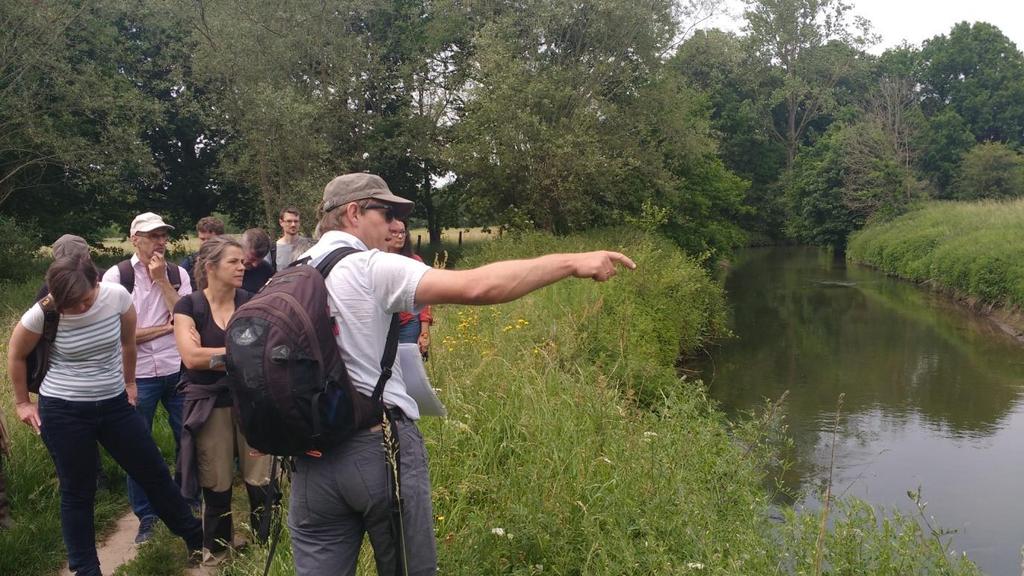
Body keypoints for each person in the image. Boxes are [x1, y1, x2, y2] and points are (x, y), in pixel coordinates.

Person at [287, 172, 635, 576]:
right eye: (385, 212)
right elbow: (478, 286)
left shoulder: (294, 270)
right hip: (376, 450)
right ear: (353, 213)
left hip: (309, 461)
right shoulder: (369, 267)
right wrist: (574, 261)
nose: (394, 225)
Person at [8, 255, 202, 575]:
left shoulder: (116, 296)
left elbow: (128, 342)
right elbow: (16, 355)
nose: (79, 309)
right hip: (64, 411)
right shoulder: (42, 313)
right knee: (77, 490)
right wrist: (21, 403)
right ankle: (86, 569)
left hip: (114, 404)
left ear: (97, 285)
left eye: (85, 300)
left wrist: (129, 382)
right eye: (70, 304)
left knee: (152, 470)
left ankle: (196, 537)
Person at [173, 236, 276, 565]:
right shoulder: (188, 306)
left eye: (242, 261)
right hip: (210, 405)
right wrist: (236, 354)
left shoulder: (250, 302)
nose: (242, 266)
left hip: (251, 401)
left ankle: (266, 548)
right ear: (210, 267)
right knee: (215, 480)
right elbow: (190, 359)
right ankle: (217, 550)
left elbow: (262, 352)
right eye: (233, 261)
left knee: (261, 477)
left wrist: (213, 355)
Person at [101, 212, 192, 544]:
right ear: (134, 238)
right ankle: (148, 517)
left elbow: (186, 318)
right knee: (137, 448)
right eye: (153, 236)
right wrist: (164, 329)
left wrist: (163, 283)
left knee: (188, 438)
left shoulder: (177, 273)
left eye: (164, 235)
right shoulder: (116, 276)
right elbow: (117, 333)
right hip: (136, 375)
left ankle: (186, 504)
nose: (160, 242)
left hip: (175, 368)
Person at [385, 220, 432, 357]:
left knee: (409, 363)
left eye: (402, 232)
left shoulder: (414, 261)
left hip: (408, 323)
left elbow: (425, 299)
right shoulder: (373, 260)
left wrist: (424, 333)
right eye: (394, 232)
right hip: (382, 324)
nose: (400, 236)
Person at [181, 216, 226, 291]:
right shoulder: (191, 262)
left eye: (210, 239)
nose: (205, 243)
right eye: (202, 239)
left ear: (221, 239)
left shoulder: (231, 261)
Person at [240, 228, 275, 292]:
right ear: (240, 248)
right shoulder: (226, 269)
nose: (255, 265)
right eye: (252, 259)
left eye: (260, 260)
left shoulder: (267, 270)